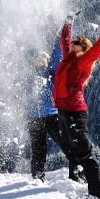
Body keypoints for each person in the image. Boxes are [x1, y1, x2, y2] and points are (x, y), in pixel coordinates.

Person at [54, 12, 100, 199]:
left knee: (84, 152)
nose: (72, 43)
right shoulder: (68, 57)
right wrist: (68, 20)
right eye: (73, 42)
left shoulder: (83, 62)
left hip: (74, 112)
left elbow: (98, 49)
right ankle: (80, 177)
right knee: (69, 148)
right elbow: (64, 37)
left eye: (77, 42)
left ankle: (99, 193)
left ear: (82, 48)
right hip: (63, 110)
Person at [26, 42, 76, 182]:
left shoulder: (52, 74)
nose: (40, 59)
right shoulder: (29, 75)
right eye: (38, 58)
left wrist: (60, 37)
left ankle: (76, 173)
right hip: (34, 118)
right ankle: (37, 178)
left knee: (67, 144)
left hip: (52, 116)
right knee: (38, 151)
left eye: (43, 57)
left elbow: (57, 55)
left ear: (47, 61)